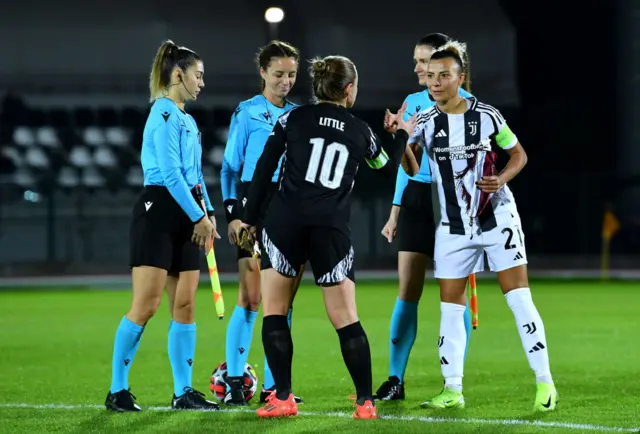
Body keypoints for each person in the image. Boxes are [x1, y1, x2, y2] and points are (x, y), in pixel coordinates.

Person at [241, 55, 419, 419]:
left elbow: (263, 168)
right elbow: (387, 173)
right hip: (331, 227)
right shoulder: (360, 130)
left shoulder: (292, 118)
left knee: (275, 311)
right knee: (345, 317)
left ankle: (283, 398)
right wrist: (402, 133)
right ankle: (366, 403)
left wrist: (249, 219)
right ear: (349, 89)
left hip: (286, 222)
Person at [396, 40, 558, 411]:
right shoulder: (424, 121)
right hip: (452, 226)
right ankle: (452, 389)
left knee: (518, 298)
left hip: (495, 217)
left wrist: (501, 179)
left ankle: (545, 382)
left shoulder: (487, 116)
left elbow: (519, 154)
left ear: (460, 78)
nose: (435, 82)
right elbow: (411, 167)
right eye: (431, 76)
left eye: (443, 76)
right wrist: (402, 137)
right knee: (450, 307)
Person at [105, 39, 220, 412]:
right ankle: (117, 391)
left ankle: (183, 392)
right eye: (198, 76)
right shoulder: (164, 114)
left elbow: (195, 175)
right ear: (178, 74)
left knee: (185, 305)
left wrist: (209, 212)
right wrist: (198, 216)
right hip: (158, 211)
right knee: (147, 304)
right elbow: (170, 174)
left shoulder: (188, 119)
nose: (202, 83)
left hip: (189, 213)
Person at [375, 32, 483, 401]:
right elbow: (407, 166)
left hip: (454, 200)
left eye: (425, 62)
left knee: (453, 296)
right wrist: (395, 212)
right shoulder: (412, 102)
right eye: (419, 63)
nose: (420, 69)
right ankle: (395, 380)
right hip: (419, 198)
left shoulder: (470, 105)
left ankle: (454, 382)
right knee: (408, 291)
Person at [220, 40, 303, 405]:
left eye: (292, 75)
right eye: (279, 74)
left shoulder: (300, 115)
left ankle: (275, 387)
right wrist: (233, 214)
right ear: (263, 73)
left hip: (287, 209)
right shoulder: (247, 112)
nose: (286, 81)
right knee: (251, 295)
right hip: (252, 206)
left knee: (281, 301)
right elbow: (229, 168)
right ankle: (236, 382)